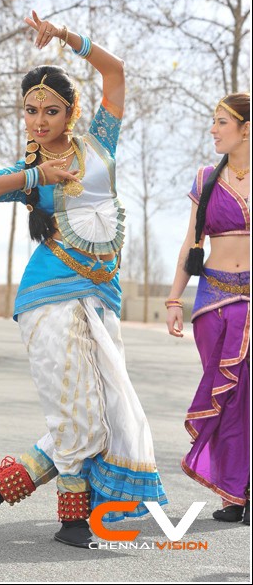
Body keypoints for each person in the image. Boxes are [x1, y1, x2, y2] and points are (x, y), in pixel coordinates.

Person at [0, 11, 167, 548]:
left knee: (103, 415)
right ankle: (73, 522)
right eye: (30, 111)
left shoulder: (99, 145)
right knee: (79, 415)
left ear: (71, 111)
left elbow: (115, 73)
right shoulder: (27, 172)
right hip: (49, 298)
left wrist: (68, 37)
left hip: (103, 296)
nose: (39, 120)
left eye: (50, 110)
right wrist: (35, 175)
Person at [166, 92, 250, 526]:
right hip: (212, 300)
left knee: (245, 395)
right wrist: (174, 298)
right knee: (227, 397)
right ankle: (233, 493)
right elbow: (190, 242)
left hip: (250, 300)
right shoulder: (206, 179)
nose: (213, 130)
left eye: (222, 122)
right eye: (214, 122)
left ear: (246, 129)